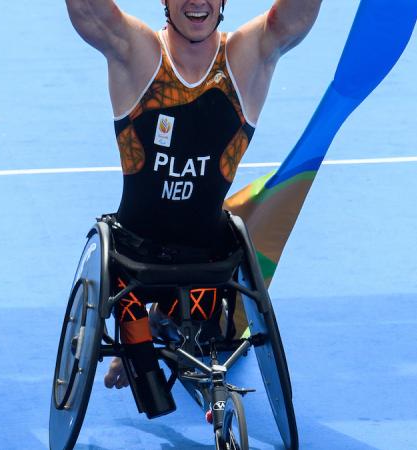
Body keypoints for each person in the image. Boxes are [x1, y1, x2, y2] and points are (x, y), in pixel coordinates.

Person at [64, 0, 322, 416]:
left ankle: (162, 323)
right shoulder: (140, 53)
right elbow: (89, 12)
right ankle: (139, 345)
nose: (197, 2)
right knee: (150, 389)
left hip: (206, 259)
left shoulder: (243, 59)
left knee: (203, 329)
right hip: (132, 259)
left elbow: (294, 17)